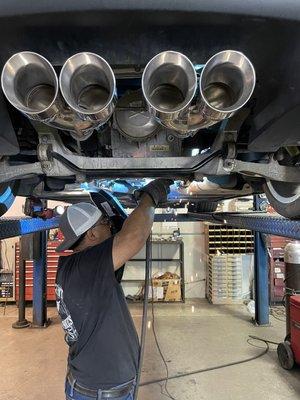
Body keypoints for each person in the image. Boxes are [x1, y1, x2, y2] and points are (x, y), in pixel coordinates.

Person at [55, 179, 173, 400]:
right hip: (101, 394)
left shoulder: (76, 267)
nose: (110, 227)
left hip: (91, 385)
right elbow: (132, 237)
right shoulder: (87, 266)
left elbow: (125, 240)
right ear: (90, 234)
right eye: (105, 224)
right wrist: (150, 197)